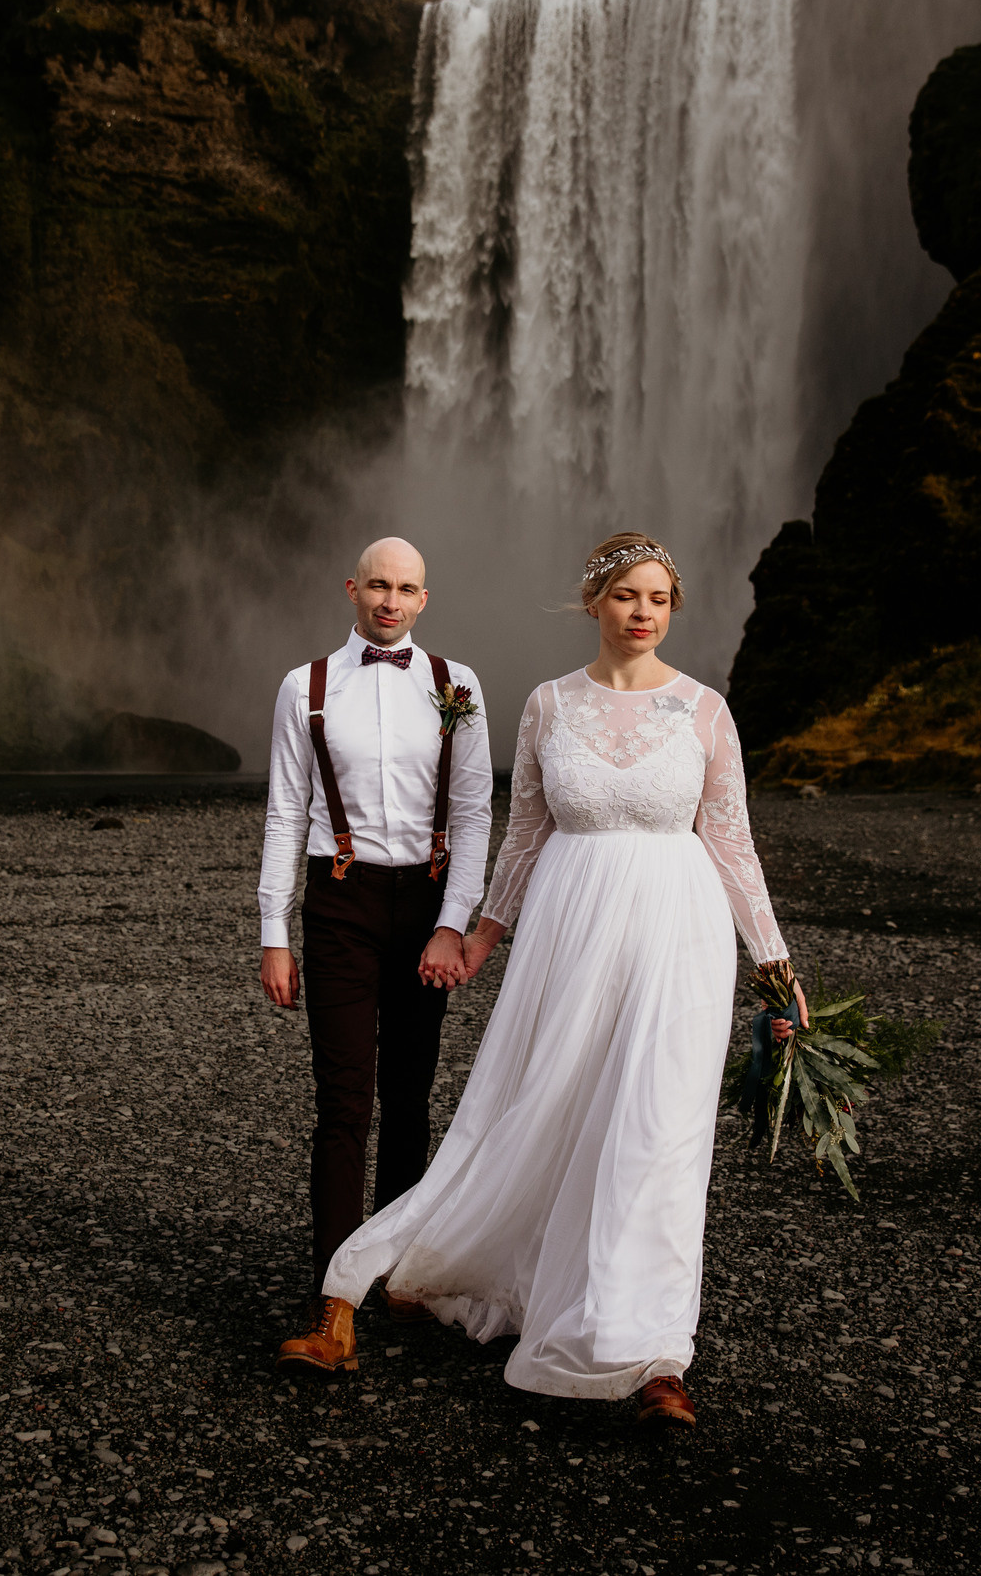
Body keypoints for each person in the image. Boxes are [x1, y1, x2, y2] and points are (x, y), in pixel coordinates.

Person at [309, 532, 802, 1428]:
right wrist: (477, 935)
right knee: (547, 1110)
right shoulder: (546, 706)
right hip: (568, 937)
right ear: (595, 604)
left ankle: (653, 1353)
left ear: (671, 609)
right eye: (626, 596)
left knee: (658, 1130)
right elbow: (526, 835)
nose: (643, 612)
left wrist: (775, 967)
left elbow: (732, 841)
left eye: (657, 598)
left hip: (677, 935)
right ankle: (511, 1272)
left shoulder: (706, 711)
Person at [260, 537, 494, 1372]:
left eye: (407, 588)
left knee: (410, 1092)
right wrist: (274, 932)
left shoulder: (456, 685)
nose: (390, 601)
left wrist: (454, 923)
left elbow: (472, 816)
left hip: (426, 904)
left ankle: (396, 1267)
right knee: (343, 1097)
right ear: (350, 588)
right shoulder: (306, 686)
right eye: (377, 585)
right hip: (340, 902)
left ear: (424, 598)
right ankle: (333, 1300)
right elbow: (287, 811)